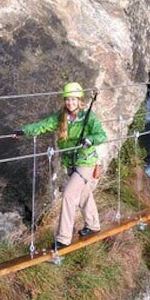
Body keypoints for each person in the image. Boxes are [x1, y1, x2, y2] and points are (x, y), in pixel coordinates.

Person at [16, 82, 107, 249]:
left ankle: (63, 239)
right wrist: (24, 131)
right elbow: (43, 125)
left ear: (80, 100)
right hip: (71, 162)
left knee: (68, 195)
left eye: (73, 99)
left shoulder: (88, 117)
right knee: (84, 193)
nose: (70, 103)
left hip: (86, 161)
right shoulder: (61, 117)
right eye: (67, 99)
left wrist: (90, 139)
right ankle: (93, 225)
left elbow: (101, 135)